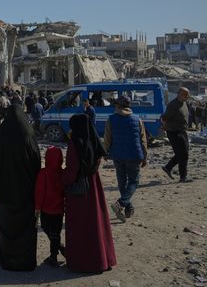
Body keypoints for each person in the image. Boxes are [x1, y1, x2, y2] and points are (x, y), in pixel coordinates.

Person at [0, 101, 41, 272]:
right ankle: (25, 261)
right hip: (25, 191)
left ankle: (7, 261)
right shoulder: (27, 132)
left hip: (5, 191)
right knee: (26, 227)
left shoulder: (3, 132)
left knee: (7, 227)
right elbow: (36, 159)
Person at [62, 114, 116, 273]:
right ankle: (103, 259)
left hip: (80, 190)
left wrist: (62, 180)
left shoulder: (75, 143)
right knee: (97, 222)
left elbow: (72, 169)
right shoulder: (94, 141)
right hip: (94, 185)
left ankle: (84, 262)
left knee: (82, 225)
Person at [104, 95, 148, 222]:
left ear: (118, 105)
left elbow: (107, 138)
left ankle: (128, 208)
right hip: (134, 155)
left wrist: (105, 152)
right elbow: (143, 140)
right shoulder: (137, 119)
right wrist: (145, 156)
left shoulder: (111, 119)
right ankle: (121, 204)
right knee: (134, 182)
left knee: (122, 181)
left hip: (117, 155)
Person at [34, 146, 64, 267]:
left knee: (47, 229)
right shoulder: (62, 173)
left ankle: (55, 254)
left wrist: (37, 206)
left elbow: (39, 192)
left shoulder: (43, 173)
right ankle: (57, 250)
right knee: (56, 233)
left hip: (46, 209)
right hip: (59, 210)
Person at [161, 87, 192, 183]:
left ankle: (168, 167)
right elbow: (164, 118)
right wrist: (165, 126)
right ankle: (183, 177)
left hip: (182, 130)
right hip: (174, 132)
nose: (187, 97)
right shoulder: (173, 105)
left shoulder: (184, 103)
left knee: (183, 153)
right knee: (183, 154)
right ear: (179, 94)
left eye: (187, 95)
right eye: (185, 95)